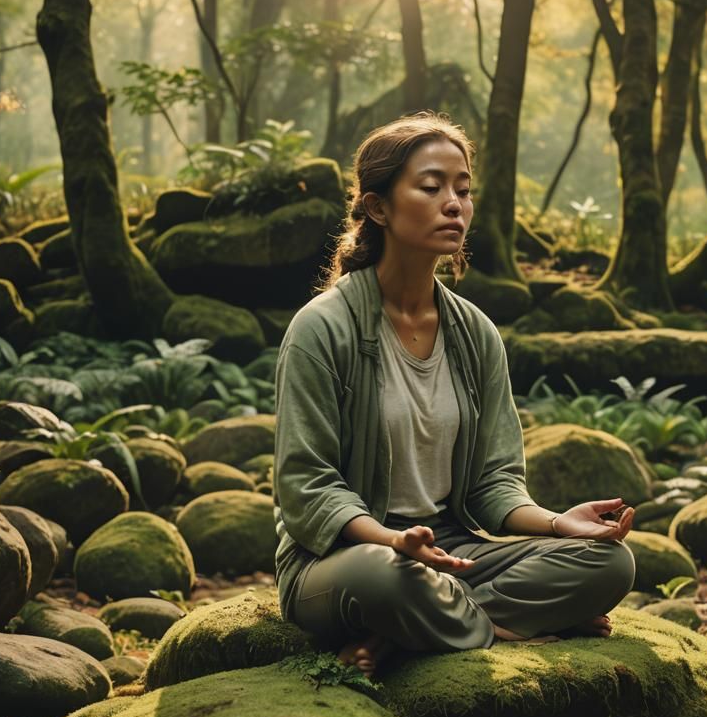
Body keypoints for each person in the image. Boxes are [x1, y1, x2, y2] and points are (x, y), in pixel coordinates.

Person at [272, 112, 636, 676]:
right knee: (383, 576)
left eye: (463, 190)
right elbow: (306, 489)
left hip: (452, 549)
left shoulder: (475, 334)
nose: (454, 204)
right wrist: (394, 540)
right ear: (378, 208)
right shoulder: (323, 329)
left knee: (609, 564)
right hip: (346, 556)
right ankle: (484, 621)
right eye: (431, 186)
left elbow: (495, 485)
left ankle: (405, 636)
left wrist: (560, 524)